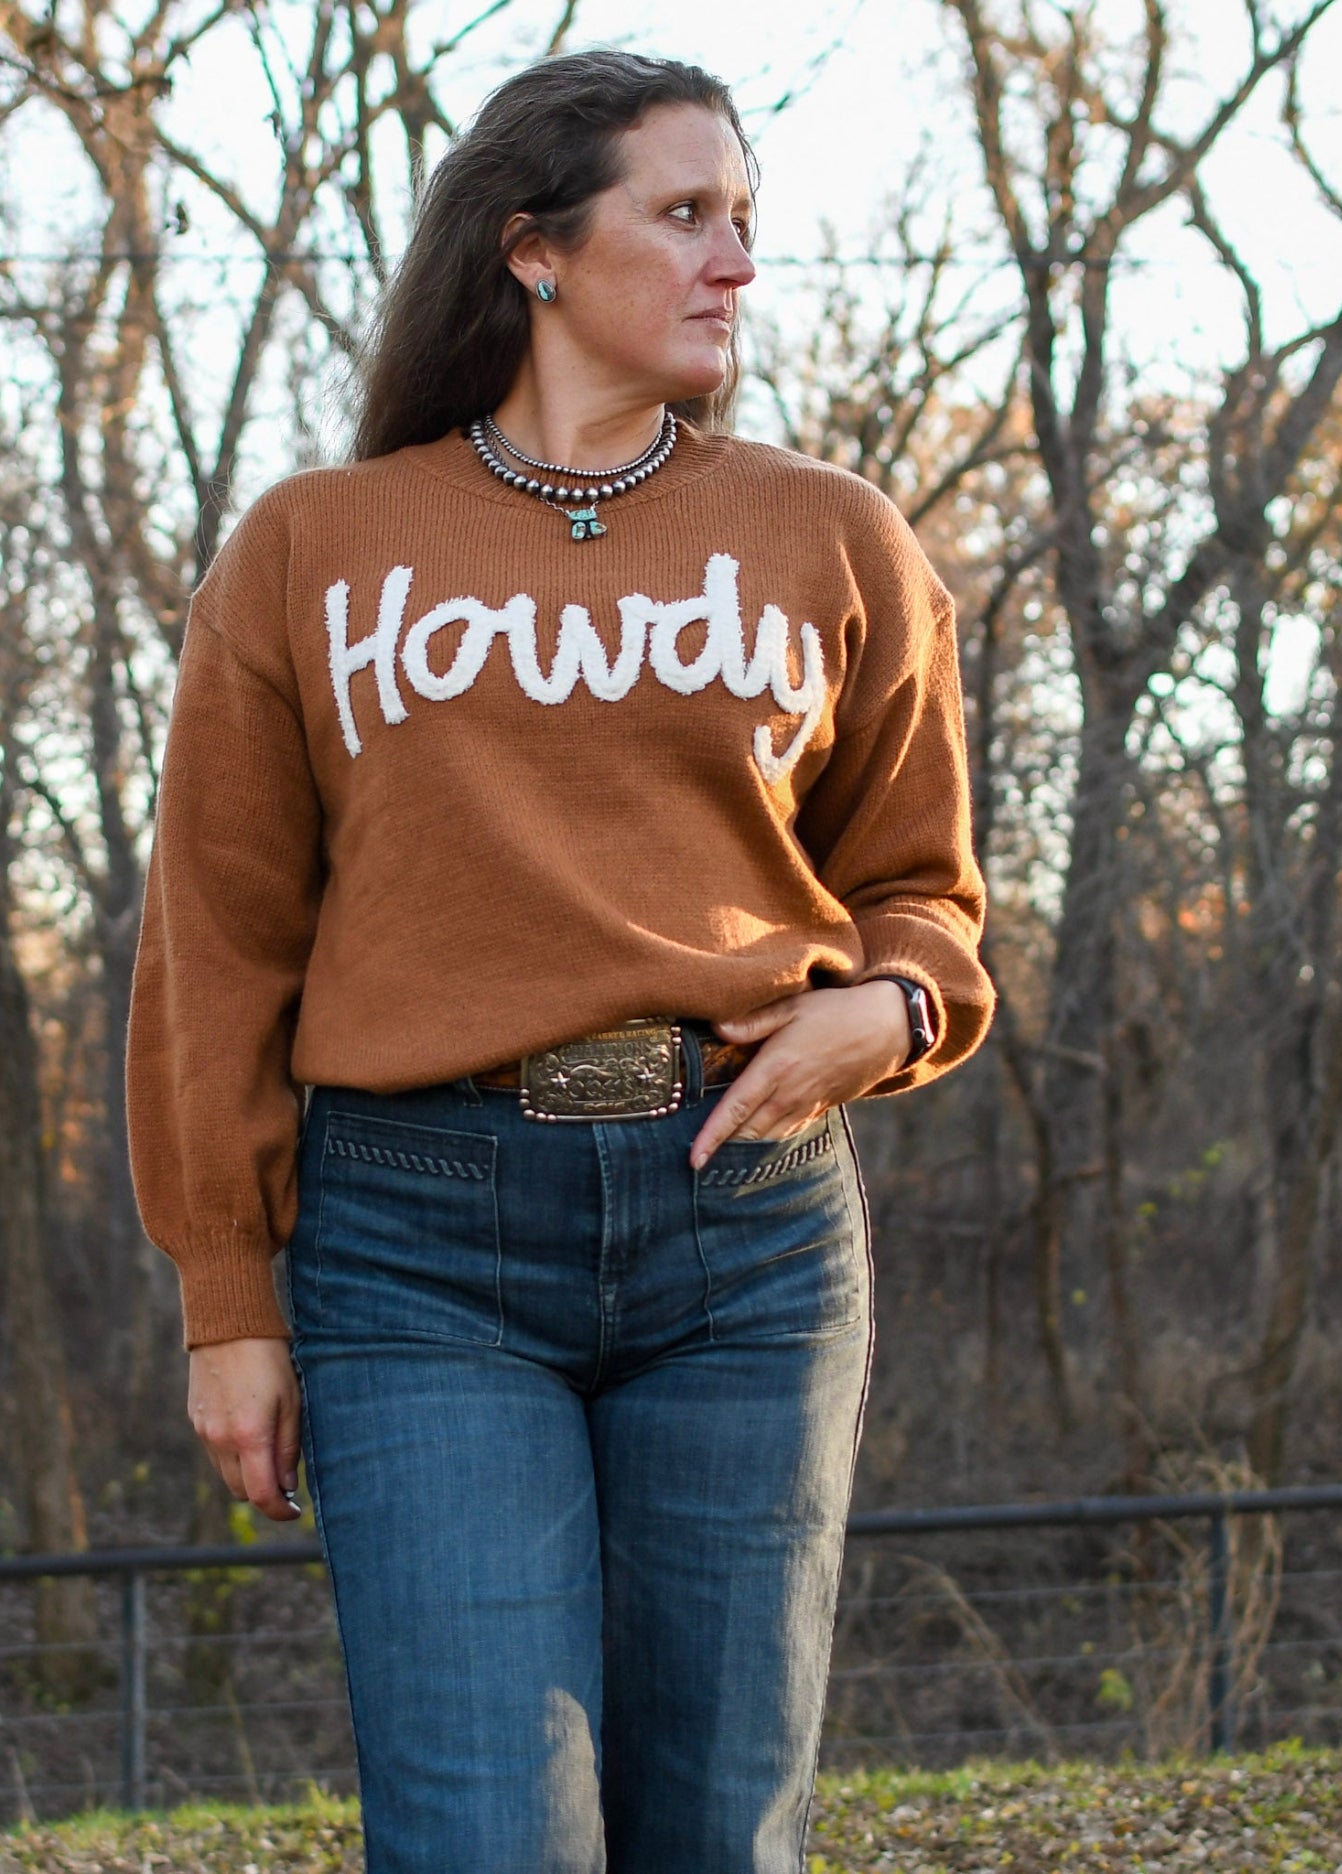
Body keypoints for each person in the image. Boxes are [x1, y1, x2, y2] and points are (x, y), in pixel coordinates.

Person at [125, 45, 995, 1874]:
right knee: (481, 1838)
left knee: (714, 1835)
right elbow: (215, 942)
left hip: (747, 1230)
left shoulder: (832, 536)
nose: (736, 260)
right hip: (416, 1245)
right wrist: (227, 1291)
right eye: (686, 214)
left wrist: (887, 1008)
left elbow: (925, 887)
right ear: (532, 252)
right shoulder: (316, 548)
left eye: (745, 219)